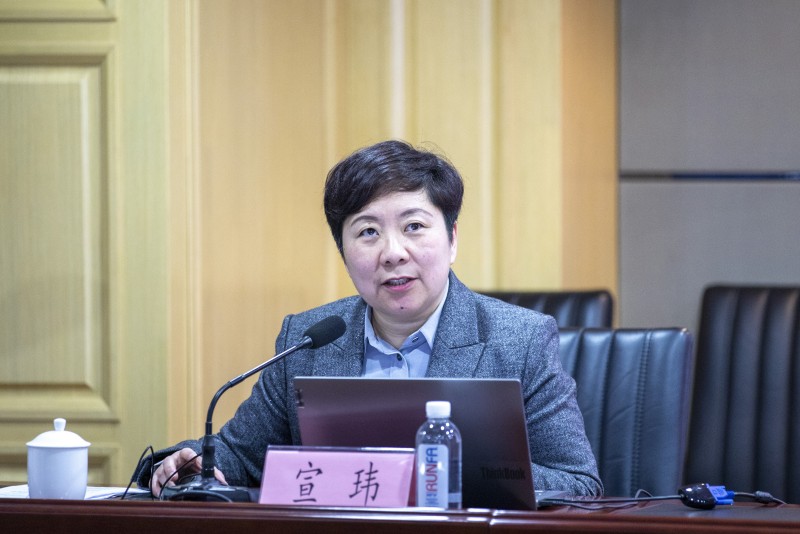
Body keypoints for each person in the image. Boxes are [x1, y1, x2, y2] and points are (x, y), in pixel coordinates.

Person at [136, 139, 602, 497]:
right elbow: (239, 455)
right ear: (343, 252)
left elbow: (578, 482)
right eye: (368, 232)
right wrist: (187, 464)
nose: (393, 252)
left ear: (452, 238)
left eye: (414, 226)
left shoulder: (520, 340)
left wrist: (447, 471)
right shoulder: (307, 341)